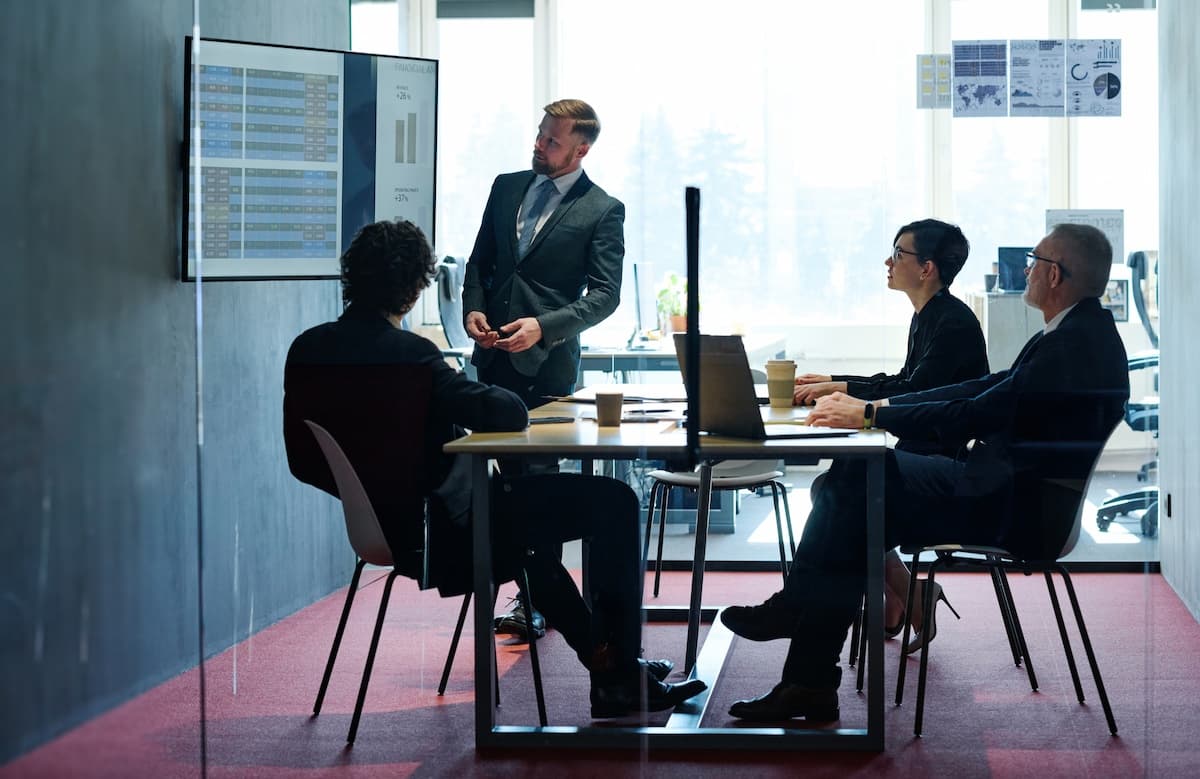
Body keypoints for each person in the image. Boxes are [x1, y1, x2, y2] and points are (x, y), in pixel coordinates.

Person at [284, 219, 704, 718]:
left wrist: (374, 498)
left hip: (389, 529)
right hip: (446, 530)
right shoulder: (412, 357)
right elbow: (508, 412)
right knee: (613, 502)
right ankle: (616, 670)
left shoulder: (307, 350)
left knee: (524, 544)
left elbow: (303, 460)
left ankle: (613, 670)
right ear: (416, 287)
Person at [719, 223, 1129, 722]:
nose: (1024, 269)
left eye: (1033, 260)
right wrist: (879, 406)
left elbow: (973, 412)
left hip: (1009, 508)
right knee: (850, 488)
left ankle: (803, 642)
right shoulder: (1076, 333)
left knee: (851, 487)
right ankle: (806, 668)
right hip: (1003, 489)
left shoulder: (1071, 346)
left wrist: (873, 414)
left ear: (1055, 274)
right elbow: (978, 390)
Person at [462, 98, 625, 639]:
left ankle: (537, 602)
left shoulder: (602, 209)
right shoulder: (506, 186)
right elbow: (479, 262)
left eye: (552, 141)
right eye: (539, 135)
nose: (539, 146)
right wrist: (472, 307)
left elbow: (604, 297)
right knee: (503, 486)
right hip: (489, 360)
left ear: (581, 149)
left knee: (540, 489)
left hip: (546, 369)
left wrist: (544, 326)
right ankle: (525, 589)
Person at [793, 219, 989, 649]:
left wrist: (841, 388)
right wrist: (835, 382)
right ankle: (908, 593)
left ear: (926, 269)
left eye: (898, 253)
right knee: (837, 485)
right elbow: (905, 382)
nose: (888, 261)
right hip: (925, 452)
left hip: (945, 464)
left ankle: (888, 596)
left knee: (839, 491)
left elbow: (913, 393)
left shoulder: (951, 323)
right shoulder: (930, 315)